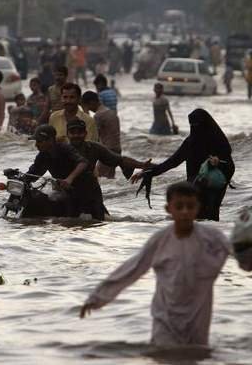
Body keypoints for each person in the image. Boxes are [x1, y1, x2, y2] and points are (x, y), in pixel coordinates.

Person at [80, 181, 230, 347]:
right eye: (179, 207)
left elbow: (242, 253)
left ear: (198, 207)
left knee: (195, 355)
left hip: (198, 317)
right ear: (168, 209)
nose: (185, 212)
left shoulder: (212, 238)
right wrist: (98, 297)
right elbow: (133, 268)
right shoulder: (161, 240)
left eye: (190, 206)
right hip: (165, 317)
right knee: (163, 355)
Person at [131, 109, 234, 221]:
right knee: (198, 220)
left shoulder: (219, 142)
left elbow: (230, 166)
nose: (195, 128)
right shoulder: (190, 143)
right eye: (192, 125)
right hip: (195, 190)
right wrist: (147, 172)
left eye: (198, 125)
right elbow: (171, 162)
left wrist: (218, 163)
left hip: (214, 188)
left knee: (211, 219)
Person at [26, 124, 103, 220]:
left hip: (87, 190)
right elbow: (34, 172)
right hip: (68, 192)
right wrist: (18, 178)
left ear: (50, 140)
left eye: (39, 141)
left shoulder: (65, 148)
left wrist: (69, 179)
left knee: (93, 221)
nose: (36, 144)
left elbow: (83, 163)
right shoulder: (42, 155)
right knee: (68, 221)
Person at [68, 118, 150, 183]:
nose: (76, 135)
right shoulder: (61, 149)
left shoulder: (94, 147)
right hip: (67, 190)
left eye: (80, 132)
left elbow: (120, 160)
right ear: (67, 134)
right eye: (72, 133)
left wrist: (142, 165)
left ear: (85, 133)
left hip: (90, 190)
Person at [80, 91, 122, 178]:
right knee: (109, 178)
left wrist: (85, 112)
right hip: (117, 149)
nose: (89, 109)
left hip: (107, 150)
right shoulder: (110, 112)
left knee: (100, 178)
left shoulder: (98, 115)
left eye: (87, 106)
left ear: (91, 102)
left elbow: (93, 135)